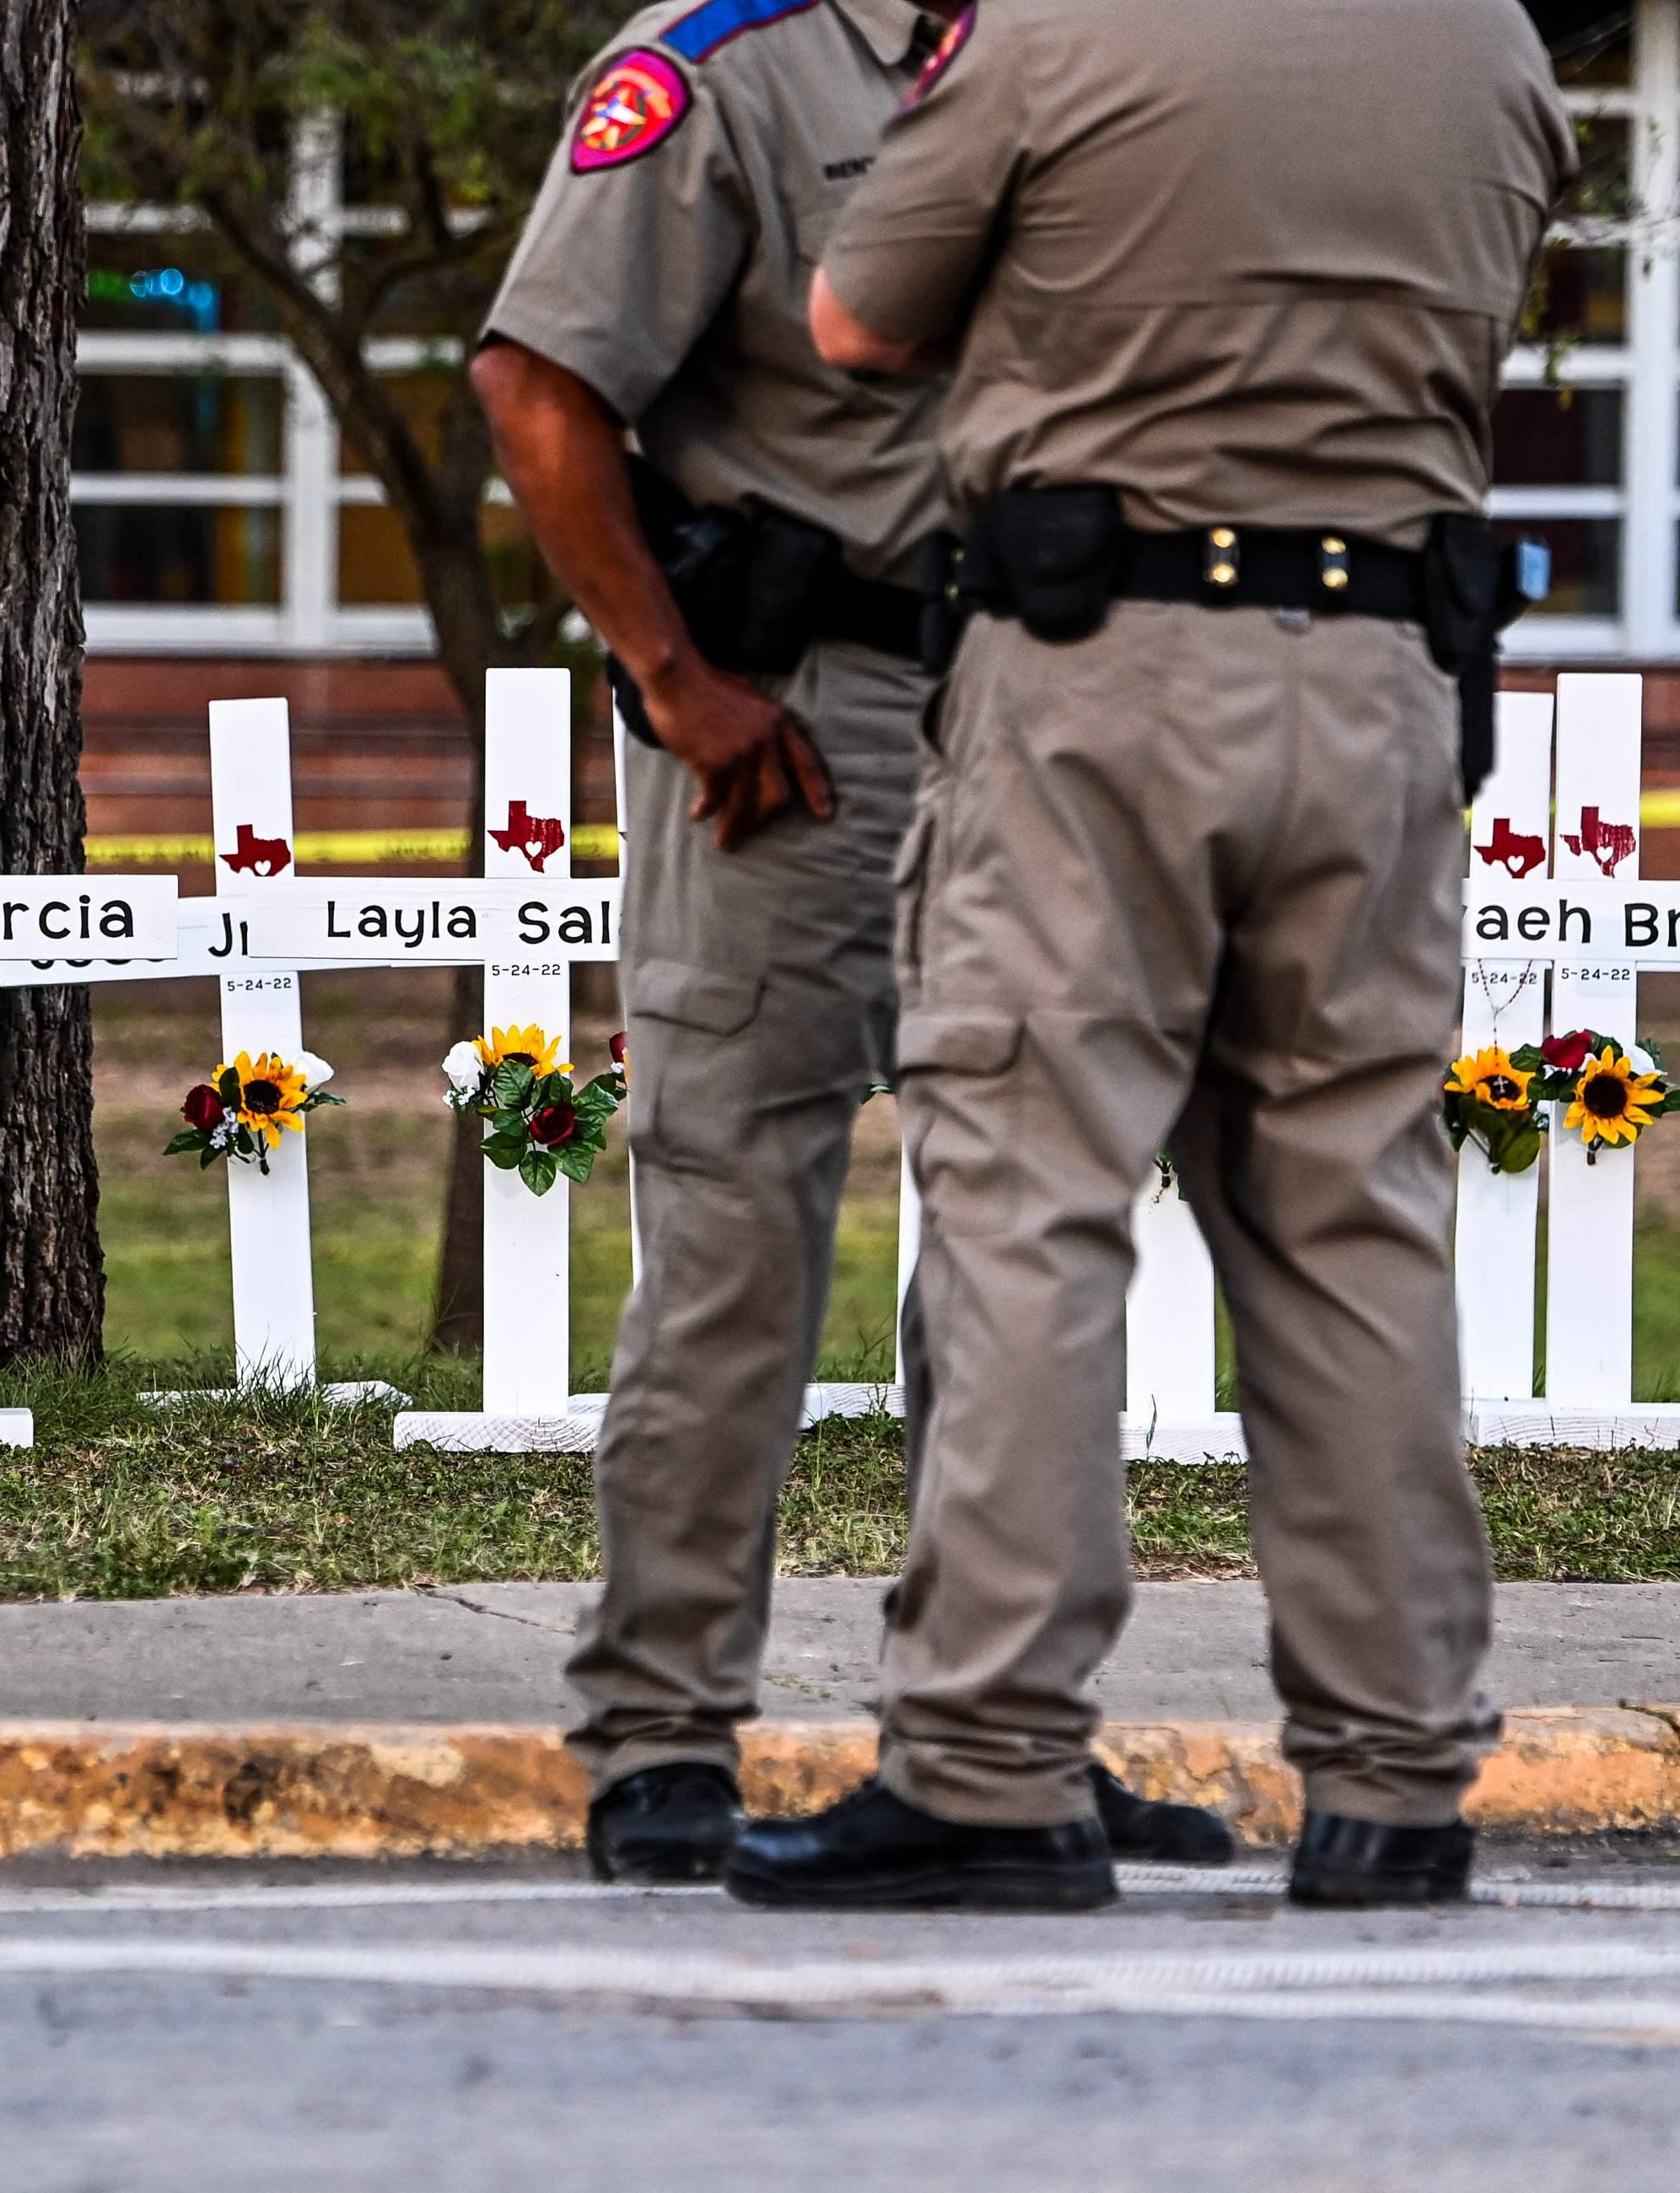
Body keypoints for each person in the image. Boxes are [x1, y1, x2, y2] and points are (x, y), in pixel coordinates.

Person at [739, 0, 1575, 1911]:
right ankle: (1394, 1781)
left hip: (1103, 662)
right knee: (1352, 1212)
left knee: (1033, 1186)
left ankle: (987, 1764)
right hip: (1383, 676)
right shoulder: (1490, 42)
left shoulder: (1054, 30)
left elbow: (859, 319)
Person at [471, 0, 1229, 1887]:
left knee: (1029, 1243)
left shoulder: (1092, 53)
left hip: (1045, 710)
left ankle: (993, 1742)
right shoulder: (727, 65)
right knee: (736, 1237)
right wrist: (669, 677)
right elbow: (536, 380)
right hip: (796, 725)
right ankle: (662, 1737)